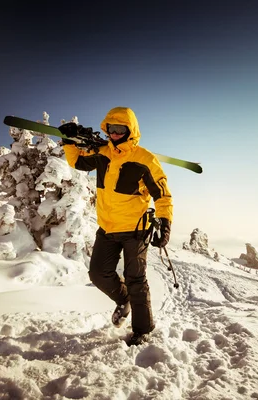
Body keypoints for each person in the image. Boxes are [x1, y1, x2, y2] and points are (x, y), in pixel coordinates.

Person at [61, 107, 173, 346]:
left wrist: (165, 221)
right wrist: (68, 141)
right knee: (98, 274)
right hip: (108, 229)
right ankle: (124, 301)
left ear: (130, 131)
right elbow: (77, 162)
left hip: (136, 230)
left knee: (136, 279)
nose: (114, 134)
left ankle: (142, 330)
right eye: (111, 129)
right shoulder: (102, 153)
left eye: (120, 129)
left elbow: (162, 195)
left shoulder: (145, 159)